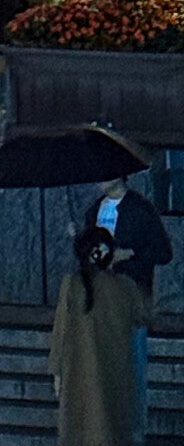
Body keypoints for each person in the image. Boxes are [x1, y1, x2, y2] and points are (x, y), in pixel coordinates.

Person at [82, 172, 174, 445]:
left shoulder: (140, 209)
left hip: (131, 297)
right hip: (101, 298)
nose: (99, 178)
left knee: (133, 367)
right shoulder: (94, 210)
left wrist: (130, 253)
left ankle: (133, 434)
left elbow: (163, 252)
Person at [51, 225, 151, 446]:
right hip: (117, 372)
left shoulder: (72, 284)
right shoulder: (125, 286)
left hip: (78, 372)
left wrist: (57, 371)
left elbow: (61, 331)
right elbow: (144, 316)